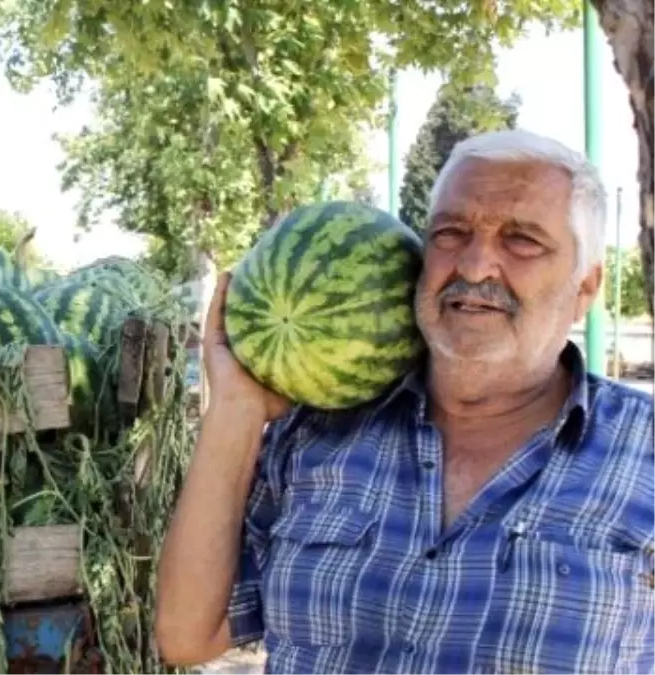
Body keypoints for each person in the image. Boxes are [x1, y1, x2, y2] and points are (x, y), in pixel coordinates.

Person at [154, 129, 655, 674]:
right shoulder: (314, 435)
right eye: (451, 232)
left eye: (522, 240)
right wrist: (236, 408)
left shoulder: (643, 451)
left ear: (587, 285)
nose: (474, 265)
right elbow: (187, 635)